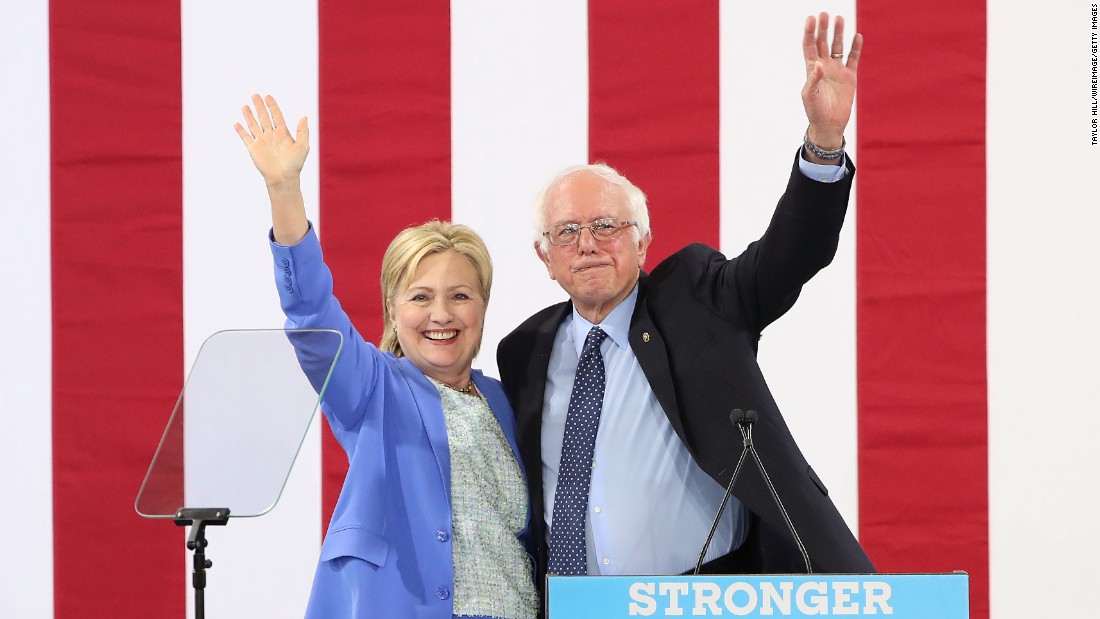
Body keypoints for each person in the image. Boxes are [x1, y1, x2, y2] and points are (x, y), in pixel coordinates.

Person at [496, 12, 874, 587]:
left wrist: (824, 143)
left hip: (701, 595)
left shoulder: (700, 300)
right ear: (544, 257)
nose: (588, 245)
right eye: (567, 232)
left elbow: (789, 255)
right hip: (573, 603)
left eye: (606, 225)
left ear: (644, 241)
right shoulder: (522, 352)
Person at [235, 94, 539, 619]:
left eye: (460, 295)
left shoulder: (508, 399)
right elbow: (311, 315)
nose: (441, 313)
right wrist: (283, 190)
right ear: (392, 312)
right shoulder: (372, 387)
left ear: (484, 306)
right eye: (420, 297)